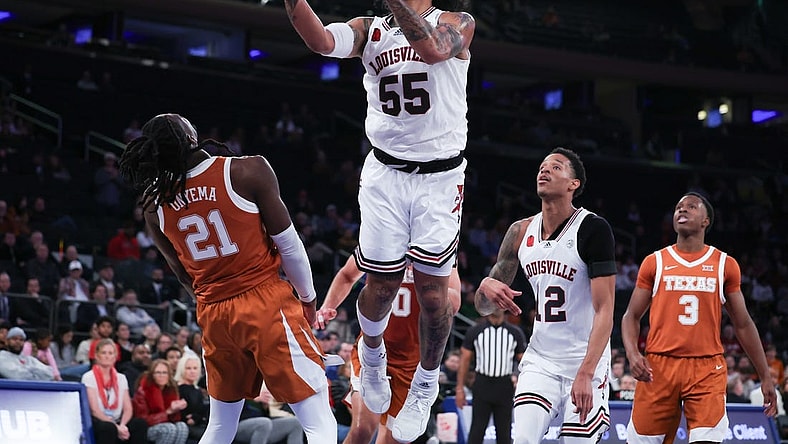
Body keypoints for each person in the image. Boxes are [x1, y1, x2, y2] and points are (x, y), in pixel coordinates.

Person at [285, 1, 475, 440]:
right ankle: (372, 356)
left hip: (440, 179)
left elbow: (432, 51)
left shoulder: (457, 22)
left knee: (433, 296)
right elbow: (320, 41)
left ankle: (426, 384)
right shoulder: (369, 28)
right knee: (382, 285)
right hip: (385, 174)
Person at [119, 113, 336, 444]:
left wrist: (215, 302)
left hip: (212, 310)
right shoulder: (245, 170)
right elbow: (290, 246)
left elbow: (181, 272)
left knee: (220, 426)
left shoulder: (154, 204)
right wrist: (307, 298)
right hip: (265, 301)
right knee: (319, 420)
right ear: (191, 137)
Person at [474, 148, 617, 444]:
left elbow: (605, 311)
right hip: (541, 359)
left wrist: (587, 373)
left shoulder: (593, 229)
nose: (544, 171)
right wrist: (485, 285)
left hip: (584, 359)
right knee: (524, 439)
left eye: (555, 167)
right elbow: (483, 307)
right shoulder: (520, 230)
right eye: (542, 166)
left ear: (573, 184)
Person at [621, 192, 778, 444]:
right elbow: (630, 316)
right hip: (659, 367)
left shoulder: (725, 264)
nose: (682, 210)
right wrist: (632, 354)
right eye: (678, 207)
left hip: (706, 368)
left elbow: (744, 323)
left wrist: (765, 376)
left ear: (706, 221)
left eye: (691, 207)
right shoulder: (655, 262)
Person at [316, 256, 461, 444]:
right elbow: (347, 275)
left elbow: (454, 303)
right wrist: (328, 306)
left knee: (391, 440)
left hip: (411, 361)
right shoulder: (384, 238)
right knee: (362, 430)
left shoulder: (437, 246)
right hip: (373, 352)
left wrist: (423, 277)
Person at [455, 309, 526, 444]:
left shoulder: (515, 332)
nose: (497, 307)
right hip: (482, 384)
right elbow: (464, 361)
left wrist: (517, 377)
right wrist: (460, 389)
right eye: (493, 303)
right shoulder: (475, 331)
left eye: (500, 304)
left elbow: (524, 362)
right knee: (477, 430)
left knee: (504, 433)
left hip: (504, 385)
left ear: (505, 307)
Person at [81, 338, 148, 444]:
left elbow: (128, 408)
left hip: (118, 421)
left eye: (110, 353)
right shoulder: (89, 377)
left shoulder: (121, 378)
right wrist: (116, 427)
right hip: (99, 421)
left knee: (140, 424)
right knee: (109, 428)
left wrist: (122, 425)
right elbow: (94, 410)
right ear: (97, 356)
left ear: (115, 357)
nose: (107, 356)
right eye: (103, 353)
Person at [132, 359, 189, 444]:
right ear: (152, 375)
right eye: (158, 372)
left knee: (182, 427)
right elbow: (143, 420)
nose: (161, 375)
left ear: (169, 375)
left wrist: (176, 409)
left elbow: (175, 419)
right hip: (148, 427)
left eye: (164, 373)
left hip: (165, 424)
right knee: (169, 429)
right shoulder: (143, 391)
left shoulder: (171, 390)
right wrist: (168, 412)